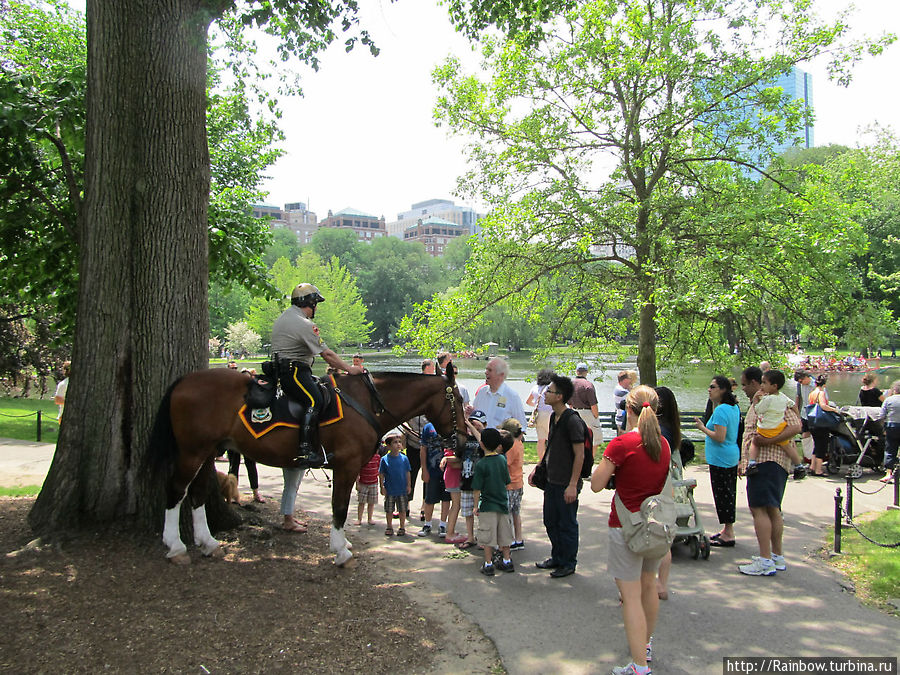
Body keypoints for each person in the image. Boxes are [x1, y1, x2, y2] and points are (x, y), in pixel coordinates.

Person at [590, 385, 671, 675]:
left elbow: (597, 484)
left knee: (630, 596)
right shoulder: (663, 445)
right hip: (654, 524)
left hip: (625, 525)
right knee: (649, 585)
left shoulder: (622, 444)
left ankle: (639, 667)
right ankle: (645, 645)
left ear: (629, 410)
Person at [270, 283, 364, 467]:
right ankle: (306, 451)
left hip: (282, 370)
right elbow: (327, 355)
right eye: (316, 303)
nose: (316, 308)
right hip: (294, 371)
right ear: (310, 302)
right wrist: (350, 369)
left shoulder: (285, 316)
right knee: (315, 400)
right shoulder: (303, 323)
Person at [737, 366, 802, 576]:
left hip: (768, 462)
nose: (744, 388)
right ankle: (776, 556)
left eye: (747, 384)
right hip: (764, 461)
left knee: (760, 508)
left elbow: (796, 425)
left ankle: (765, 560)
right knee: (772, 509)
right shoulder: (764, 401)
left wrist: (767, 441)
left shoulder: (778, 400)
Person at [529, 374, 583, 578]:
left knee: (567, 524)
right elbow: (551, 447)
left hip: (566, 483)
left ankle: (568, 563)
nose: (544, 394)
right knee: (550, 521)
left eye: (549, 391)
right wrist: (539, 466)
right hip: (551, 480)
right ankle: (557, 557)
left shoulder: (572, 421)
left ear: (559, 396)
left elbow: (580, 454)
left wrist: (572, 484)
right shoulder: (553, 417)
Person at [694, 375, 741, 547]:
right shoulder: (731, 407)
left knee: (723, 496)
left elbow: (720, 437)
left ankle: (729, 533)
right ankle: (727, 530)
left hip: (722, 458)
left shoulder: (722, 410)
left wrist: (702, 428)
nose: (709, 389)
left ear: (722, 389)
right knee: (728, 494)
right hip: (730, 456)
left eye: (712, 387)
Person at [471, 427, 514, 576]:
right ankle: (507, 561)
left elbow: (477, 488)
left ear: (482, 444)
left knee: (487, 536)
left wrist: (476, 506)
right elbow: (507, 480)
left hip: (487, 505)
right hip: (502, 504)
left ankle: (488, 563)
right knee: (505, 535)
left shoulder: (482, 464)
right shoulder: (502, 459)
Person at [747, 370, 805, 478]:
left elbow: (758, 410)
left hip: (765, 429)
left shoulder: (767, 399)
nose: (762, 386)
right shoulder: (783, 397)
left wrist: (755, 400)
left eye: (764, 383)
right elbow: (794, 406)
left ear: (774, 386)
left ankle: (752, 463)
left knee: (755, 442)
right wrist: (798, 417)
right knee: (787, 446)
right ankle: (799, 465)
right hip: (778, 429)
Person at [653, 385, 682, 601]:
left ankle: (658, 584)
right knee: (662, 536)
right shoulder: (671, 427)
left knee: (655, 537)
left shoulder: (661, 431)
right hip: (665, 486)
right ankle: (661, 583)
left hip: (655, 486)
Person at [455, 411, 487, 549]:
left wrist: (475, 428)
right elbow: (457, 456)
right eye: (472, 422)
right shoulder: (464, 440)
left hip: (481, 484)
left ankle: (483, 539)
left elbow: (483, 441)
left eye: (477, 423)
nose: (473, 425)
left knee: (482, 513)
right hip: (466, 481)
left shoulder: (485, 440)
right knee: (468, 512)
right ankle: (470, 537)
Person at [471, 357, 526, 429]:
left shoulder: (512, 396)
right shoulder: (482, 392)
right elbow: (474, 417)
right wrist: (470, 413)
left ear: (501, 375)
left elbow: (522, 426)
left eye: (490, 370)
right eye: (486, 369)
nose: (486, 372)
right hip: (479, 439)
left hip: (501, 439)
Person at [417, 420, 451, 537]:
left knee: (446, 498)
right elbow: (423, 449)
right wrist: (424, 469)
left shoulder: (451, 426)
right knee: (429, 498)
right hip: (432, 470)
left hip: (448, 471)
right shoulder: (428, 427)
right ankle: (427, 524)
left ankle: (442, 525)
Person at [499, 418, 526, 550]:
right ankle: (518, 538)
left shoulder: (511, 446)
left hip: (509, 485)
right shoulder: (520, 443)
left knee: (506, 514)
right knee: (516, 512)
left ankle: (507, 540)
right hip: (518, 483)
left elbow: (506, 463)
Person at [379, 431, 412, 536]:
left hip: (402, 489)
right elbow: (381, 474)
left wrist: (409, 485)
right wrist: (382, 486)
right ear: (388, 446)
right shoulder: (384, 459)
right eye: (395, 442)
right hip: (390, 489)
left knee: (402, 510)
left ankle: (402, 527)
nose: (398, 444)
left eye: (399, 442)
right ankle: (389, 526)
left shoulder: (404, 458)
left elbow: (407, 472)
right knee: (389, 510)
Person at [807, 374, 838, 477]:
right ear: (824, 384)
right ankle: (818, 470)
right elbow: (823, 406)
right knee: (822, 445)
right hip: (821, 423)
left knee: (816, 445)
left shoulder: (811, 393)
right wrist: (834, 410)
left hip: (812, 422)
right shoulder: (821, 393)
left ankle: (812, 466)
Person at [570, 363, 601, 452]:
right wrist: (595, 416)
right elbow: (593, 404)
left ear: (576, 371)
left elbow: (569, 402)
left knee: (578, 439)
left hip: (575, 413)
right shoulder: (588, 385)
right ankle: (590, 460)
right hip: (588, 413)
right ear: (586, 372)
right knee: (595, 439)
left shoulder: (570, 384)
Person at [526, 368, 554, 459]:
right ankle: (550, 458)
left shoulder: (535, 388)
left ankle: (541, 460)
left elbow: (528, 401)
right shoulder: (550, 388)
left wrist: (536, 405)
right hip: (550, 414)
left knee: (541, 439)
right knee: (552, 438)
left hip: (539, 415)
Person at [879, 380, 900, 483]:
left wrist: (883, 428)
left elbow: (882, 415)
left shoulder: (888, 400)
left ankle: (888, 473)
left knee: (890, 449)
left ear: (894, 390)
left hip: (891, 426)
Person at [794, 370, 816, 463]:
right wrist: (797, 412)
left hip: (814, 413)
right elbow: (798, 396)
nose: (800, 383)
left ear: (806, 377)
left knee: (815, 435)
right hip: (804, 412)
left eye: (801, 381)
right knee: (805, 433)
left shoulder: (815, 384)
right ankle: (807, 457)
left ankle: (814, 458)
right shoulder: (800, 385)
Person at [355, 449, 381, 526]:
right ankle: (359, 519)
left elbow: (379, 469)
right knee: (361, 502)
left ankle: (370, 518)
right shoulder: (363, 457)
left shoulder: (377, 457)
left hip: (374, 483)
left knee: (371, 503)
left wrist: (381, 483)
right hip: (363, 483)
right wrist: (357, 483)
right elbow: (357, 471)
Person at [280, 467, 307, 532]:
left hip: (299, 459)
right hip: (292, 460)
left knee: (294, 485)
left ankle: (289, 516)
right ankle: (288, 520)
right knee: (291, 486)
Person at [613, 370, 636, 435]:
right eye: (629, 379)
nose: (630, 381)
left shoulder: (618, 387)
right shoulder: (622, 392)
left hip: (620, 419)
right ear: (625, 380)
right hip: (623, 421)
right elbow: (635, 399)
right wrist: (631, 389)